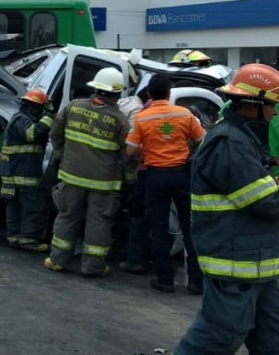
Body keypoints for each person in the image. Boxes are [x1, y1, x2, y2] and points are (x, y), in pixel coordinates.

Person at [163, 64, 279, 355]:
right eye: (272, 106)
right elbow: (269, 203)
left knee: (274, 337)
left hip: (257, 260)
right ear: (254, 104)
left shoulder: (244, 139)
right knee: (224, 330)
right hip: (234, 261)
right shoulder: (230, 144)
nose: (275, 114)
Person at [44, 67, 132, 277]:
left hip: (71, 176)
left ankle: (57, 261)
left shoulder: (73, 107)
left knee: (67, 217)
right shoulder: (120, 121)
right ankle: (93, 267)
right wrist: (130, 178)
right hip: (103, 183)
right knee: (99, 222)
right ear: (117, 93)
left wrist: (62, 155)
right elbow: (127, 154)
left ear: (96, 88)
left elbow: (55, 133)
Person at [125, 74, 205, 294]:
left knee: (159, 229)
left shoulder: (143, 118)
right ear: (169, 94)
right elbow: (203, 140)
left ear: (149, 94)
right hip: (181, 175)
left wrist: (150, 146)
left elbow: (130, 151)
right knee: (190, 227)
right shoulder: (184, 114)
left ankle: (165, 280)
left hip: (155, 176)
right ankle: (196, 281)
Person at [0, 88, 54, 252]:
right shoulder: (21, 120)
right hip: (23, 173)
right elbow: (33, 135)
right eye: (40, 108)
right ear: (34, 107)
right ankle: (28, 239)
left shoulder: (22, 118)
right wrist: (49, 117)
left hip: (18, 171)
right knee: (33, 206)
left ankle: (15, 237)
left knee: (16, 206)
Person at [117, 88, 151, 274]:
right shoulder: (138, 112)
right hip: (148, 171)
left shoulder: (126, 101)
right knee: (142, 217)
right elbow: (131, 150)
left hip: (113, 163)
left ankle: (133, 257)